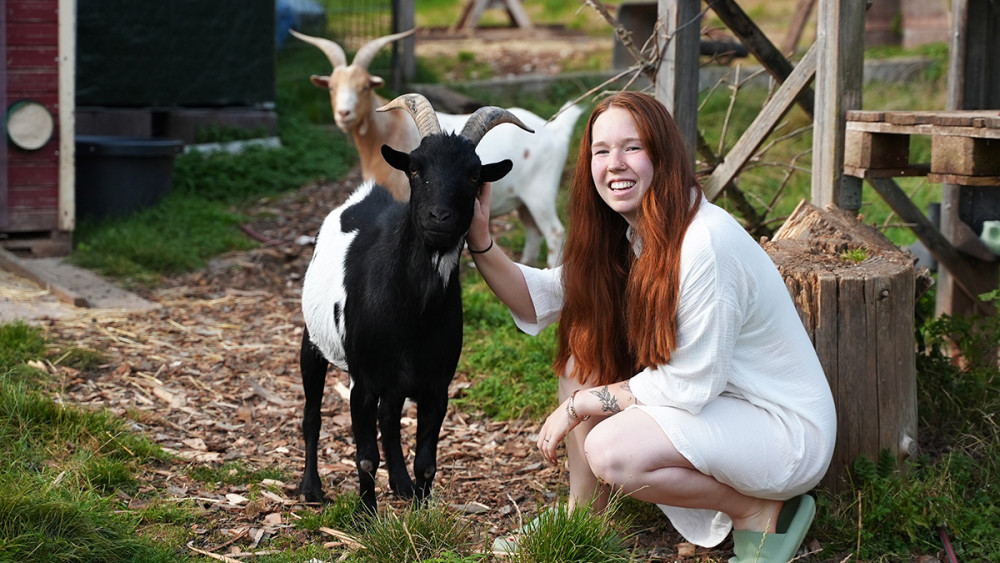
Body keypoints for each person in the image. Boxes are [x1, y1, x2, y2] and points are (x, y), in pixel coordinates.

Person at [466, 91, 836, 562]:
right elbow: (540, 296)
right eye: (602, 151)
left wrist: (581, 407)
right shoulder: (634, 234)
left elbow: (691, 383)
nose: (614, 164)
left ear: (662, 155)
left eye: (632, 148)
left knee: (612, 451)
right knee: (585, 352)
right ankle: (585, 517)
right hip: (724, 407)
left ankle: (756, 508)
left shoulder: (706, 243)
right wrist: (480, 239)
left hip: (781, 432)